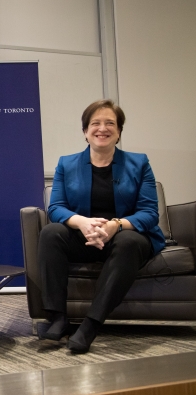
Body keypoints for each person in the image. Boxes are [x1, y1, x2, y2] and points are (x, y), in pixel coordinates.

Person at [37, 99, 165, 354]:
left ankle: (91, 324)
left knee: (128, 241)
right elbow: (56, 208)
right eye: (95, 123)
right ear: (85, 131)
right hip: (84, 237)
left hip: (126, 236)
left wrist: (115, 226)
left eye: (110, 123)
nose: (102, 128)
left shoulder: (139, 163)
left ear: (118, 132)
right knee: (51, 232)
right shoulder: (67, 163)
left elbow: (150, 212)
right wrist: (83, 223)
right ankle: (58, 318)